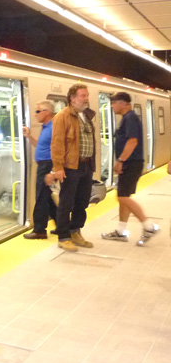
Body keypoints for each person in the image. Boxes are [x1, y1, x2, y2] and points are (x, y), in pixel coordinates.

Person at [101, 92, 159, 244]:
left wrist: (120, 160)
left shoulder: (130, 118)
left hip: (131, 163)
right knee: (123, 196)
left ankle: (148, 226)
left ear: (123, 103)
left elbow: (132, 141)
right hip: (131, 162)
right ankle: (121, 231)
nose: (112, 106)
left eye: (114, 103)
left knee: (123, 197)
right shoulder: (127, 118)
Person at [50, 83, 96, 252]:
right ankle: (63, 237)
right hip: (70, 166)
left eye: (87, 95)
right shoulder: (63, 116)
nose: (86, 99)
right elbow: (57, 144)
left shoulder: (85, 115)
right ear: (72, 98)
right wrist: (58, 168)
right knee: (66, 202)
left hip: (85, 165)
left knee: (82, 202)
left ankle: (75, 232)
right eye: (83, 96)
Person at [22, 101, 58, 239]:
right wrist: (29, 136)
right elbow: (41, 146)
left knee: (41, 197)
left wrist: (53, 171)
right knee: (47, 197)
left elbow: (58, 149)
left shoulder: (54, 127)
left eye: (38, 111)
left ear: (47, 112)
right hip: (44, 165)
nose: (35, 115)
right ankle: (61, 226)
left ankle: (40, 230)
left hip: (47, 166)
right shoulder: (46, 127)